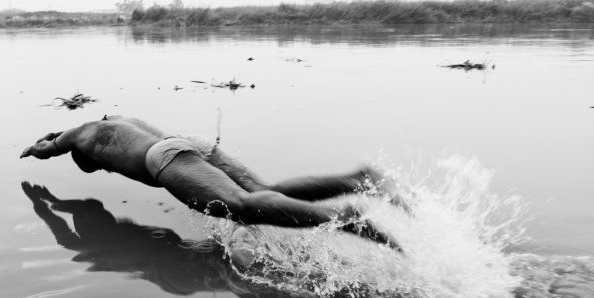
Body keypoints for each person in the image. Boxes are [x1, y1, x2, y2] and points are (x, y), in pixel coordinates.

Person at [20, 115, 407, 250]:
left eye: (97, 168)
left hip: (163, 159)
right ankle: (358, 179)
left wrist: (41, 204)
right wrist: (55, 203)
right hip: (188, 142)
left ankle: (344, 217)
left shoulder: (77, 137)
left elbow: (48, 148)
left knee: (241, 207)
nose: (104, 169)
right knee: (261, 193)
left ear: (84, 157)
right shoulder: (115, 119)